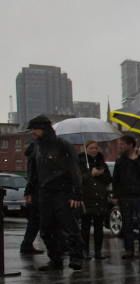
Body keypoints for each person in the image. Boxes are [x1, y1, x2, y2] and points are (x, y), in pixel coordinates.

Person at [22, 115, 85, 271]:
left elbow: (74, 170)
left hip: (63, 191)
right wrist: (29, 190)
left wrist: (76, 193)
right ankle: (55, 260)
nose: (33, 133)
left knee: (69, 226)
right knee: (46, 229)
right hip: (44, 193)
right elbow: (33, 172)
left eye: (35, 129)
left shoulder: (63, 146)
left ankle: (76, 257)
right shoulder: (36, 147)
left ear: (44, 129)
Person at [112, 135, 140, 259]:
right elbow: (116, 179)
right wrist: (115, 195)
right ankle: (129, 249)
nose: (120, 147)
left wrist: (136, 160)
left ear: (130, 145)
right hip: (125, 197)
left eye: (122, 144)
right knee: (127, 224)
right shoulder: (120, 160)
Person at [78, 140, 112, 260]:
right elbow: (78, 179)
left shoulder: (102, 164)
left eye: (96, 148)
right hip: (86, 199)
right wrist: (90, 174)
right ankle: (84, 251)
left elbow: (108, 179)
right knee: (85, 228)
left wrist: (100, 174)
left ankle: (98, 252)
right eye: (91, 148)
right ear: (86, 149)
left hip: (100, 199)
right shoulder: (79, 163)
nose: (94, 150)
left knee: (99, 228)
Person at [18, 140, 43, 256]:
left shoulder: (32, 157)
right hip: (37, 192)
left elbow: (31, 176)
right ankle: (26, 245)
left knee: (34, 221)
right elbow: (33, 176)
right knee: (35, 220)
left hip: (35, 192)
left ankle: (27, 245)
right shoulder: (36, 158)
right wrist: (29, 193)